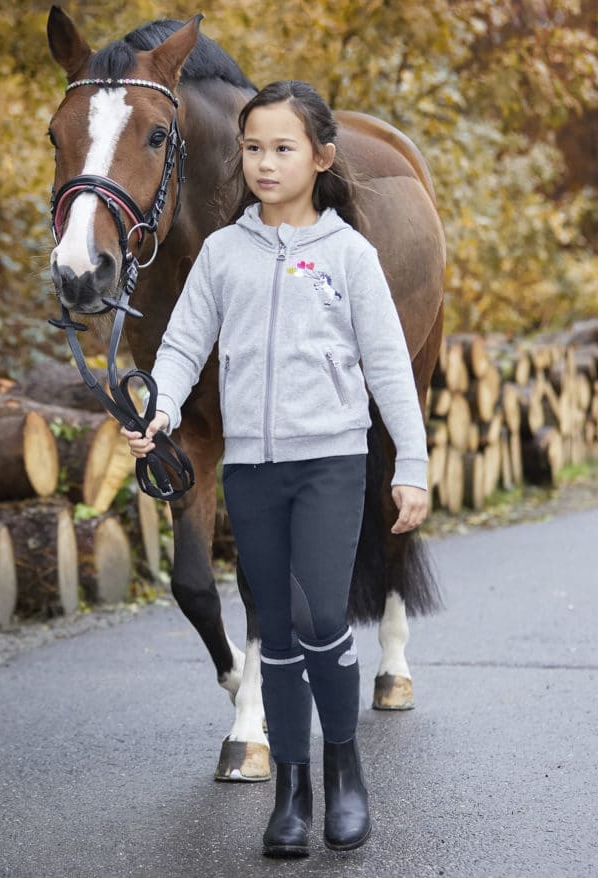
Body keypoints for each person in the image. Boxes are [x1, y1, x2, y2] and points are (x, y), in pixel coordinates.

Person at [122, 80, 428, 859]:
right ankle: (292, 794)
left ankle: (346, 777)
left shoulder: (349, 254)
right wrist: (155, 409)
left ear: (321, 158)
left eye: (282, 148)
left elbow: (391, 366)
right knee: (282, 630)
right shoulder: (223, 253)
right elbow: (184, 345)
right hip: (252, 470)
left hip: (329, 460)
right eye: (253, 148)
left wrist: (414, 463)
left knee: (323, 620)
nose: (264, 162)